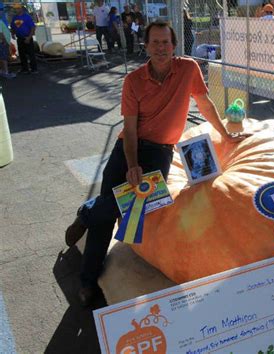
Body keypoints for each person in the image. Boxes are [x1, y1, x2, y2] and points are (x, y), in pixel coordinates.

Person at [65, 21, 251, 307]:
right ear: (146, 46)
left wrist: (225, 133)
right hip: (130, 145)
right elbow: (129, 128)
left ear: (173, 45)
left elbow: (204, 104)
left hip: (160, 152)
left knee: (129, 204)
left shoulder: (188, 69)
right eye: (155, 43)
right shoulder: (134, 81)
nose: (161, 48)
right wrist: (131, 164)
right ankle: (88, 281)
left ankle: (87, 211)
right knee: (110, 210)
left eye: (165, 42)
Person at [10, 3, 37, 74]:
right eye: (15, 9)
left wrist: (29, 37)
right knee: (22, 54)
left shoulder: (27, 17)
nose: (16, 10)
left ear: (21, 8)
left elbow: (33, 28)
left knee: (31, 54)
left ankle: (34, 69)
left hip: (27, 38)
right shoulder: (15, 17)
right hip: (20, 38)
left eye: (18, 8)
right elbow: (12, 26)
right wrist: (12, 34)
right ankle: (25, 69)